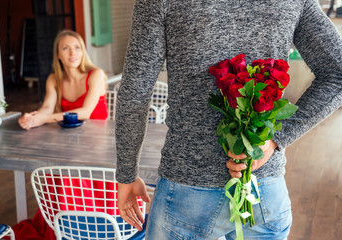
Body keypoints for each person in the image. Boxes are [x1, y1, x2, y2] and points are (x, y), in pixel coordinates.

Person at [116, 0, 342, 239]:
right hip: (263, 192)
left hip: (187, 192)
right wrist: (273, 142)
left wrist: (126, 176)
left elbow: (134, 93)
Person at [18, 30, 108, 130]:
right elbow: (47, 107)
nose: (72, 53)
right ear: (58, 55)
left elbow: (86, 112)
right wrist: (31, 118)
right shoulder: (53, 79)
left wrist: (44, 119)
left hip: (99, 138)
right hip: (70, 137)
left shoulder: (96, 74)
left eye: (77, 48)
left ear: (82, 52)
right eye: (66, 48)